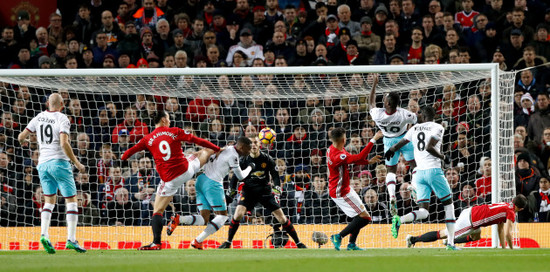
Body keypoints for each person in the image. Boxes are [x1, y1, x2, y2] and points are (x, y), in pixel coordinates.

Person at [121, 110, 221, 250]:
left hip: (169, 180)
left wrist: (123, 157)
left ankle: (156, 242)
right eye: (168, 119)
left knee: (157, 210)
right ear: (163, 120)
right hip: (186, 171)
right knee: (205, 152)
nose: (169, 121)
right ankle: (220, 157)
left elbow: (131, 151)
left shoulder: (148, 138)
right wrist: (216, 148)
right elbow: (196, 140)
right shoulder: (174, 131)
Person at [17, 93, 87, 254]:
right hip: (59, 163)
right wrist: (76, 162)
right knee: (71, 200)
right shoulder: (62, 118)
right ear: (62, 103)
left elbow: (21, 137)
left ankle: (44, 235)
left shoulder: (39, 117)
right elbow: (64, 143)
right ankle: (71, 239)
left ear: (48, 103)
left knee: (49, 201)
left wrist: (24, 143)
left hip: (42, 164)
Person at [385, 106, 458, 250]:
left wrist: (391, 150)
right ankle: (450, 243)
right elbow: (429, 147)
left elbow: (400, 143)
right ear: (433, 116)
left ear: (423, 116)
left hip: (419, 174)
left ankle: (400, 219)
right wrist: (443, 157)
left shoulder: (414, 129)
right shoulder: (438, 127)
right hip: (433, 171)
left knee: (424, 212)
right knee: (449, 205)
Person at [217, 137, 307, 249]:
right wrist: (231, 190)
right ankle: (228, 242)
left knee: (282, 218)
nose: (253, 145)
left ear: (260, 144)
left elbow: (275, 175)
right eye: (251, 143)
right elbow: (235, 177)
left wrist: (277, 186)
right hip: (249, 191)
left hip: (264, 191)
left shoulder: (267, 159)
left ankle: (298, 243)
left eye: (255, 142)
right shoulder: (243, 160)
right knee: (238, 214)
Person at [166, 137, 253, 250]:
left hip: (201, 180)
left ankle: (179, 219)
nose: (249, 152)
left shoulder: (226, 148)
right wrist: (251, 167)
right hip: (213, 184)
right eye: (248, 149)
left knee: (204, 219)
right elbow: (240, 176)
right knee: (222, 217)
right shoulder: (234, 155)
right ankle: (197, 241)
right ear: (241, 147)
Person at [327, 127, 383, 251]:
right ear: (343, 139)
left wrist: (368, 162)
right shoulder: (338, 156)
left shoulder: (333, 149)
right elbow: (358, 157)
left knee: (360, 215)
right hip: (340, 192)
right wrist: (374, 139)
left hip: (344, 188)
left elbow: (354, 159)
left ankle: (351, 244)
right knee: (365, 218)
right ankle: (338, 236)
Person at [369, 74, 417, 216]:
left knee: (391, 170)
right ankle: (414, 187)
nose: (383, 101)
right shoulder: (404, 114)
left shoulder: (378, 115)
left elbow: (371, 104)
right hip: (404, 139)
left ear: (388, 104)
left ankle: (391, 196)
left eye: (384, 100)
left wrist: (374, 85)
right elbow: (415, 119)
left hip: (389, 141)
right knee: (414, 165)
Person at [406, 194, 528, 249]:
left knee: (476, 236)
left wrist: (504, 248)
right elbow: (507, 234)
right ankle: (413, 239)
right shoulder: (511, 212)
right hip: (471, 220)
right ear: (521, 209)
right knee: (443, 233)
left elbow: (500, 228)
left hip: (471, 211)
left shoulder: (506, 205)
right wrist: (511, 249)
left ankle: (448, 241)